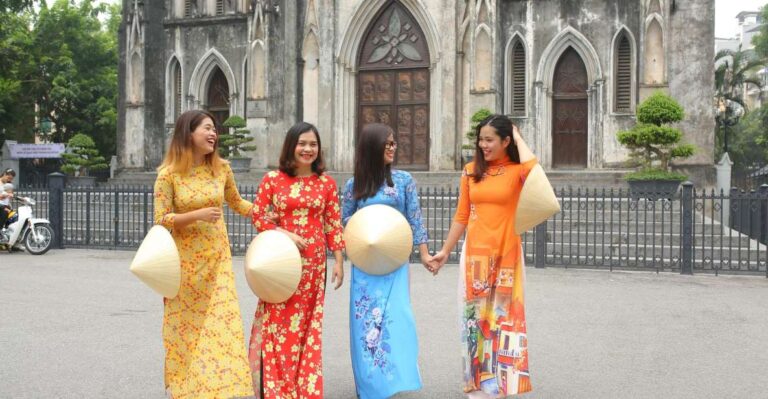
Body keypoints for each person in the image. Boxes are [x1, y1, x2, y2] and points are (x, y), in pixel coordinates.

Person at [431, 114, 537, 398]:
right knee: (475, 319)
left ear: (505, 141)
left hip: (507, 253)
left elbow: (534, 169)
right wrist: (445, 251)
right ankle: (477, 384)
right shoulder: (469, 171)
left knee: (505, 318)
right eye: (481, 139)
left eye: (490, 139)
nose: (483, 145)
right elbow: (461, 216)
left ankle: (504, 384)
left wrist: (517, 136)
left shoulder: (517, 171)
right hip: (475, 255)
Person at [153, 110, 255, 399]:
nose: (214, 134)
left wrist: (264, 213)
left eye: (214, 129)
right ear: (189, 134)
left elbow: (236, 202)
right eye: (207, 128)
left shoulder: (221, 168)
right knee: (185, 327)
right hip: (183, 264)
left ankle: (215, 386)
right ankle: (185, 387)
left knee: (221, 322)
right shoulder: (168, 175)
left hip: (217, 259)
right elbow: (160, 219)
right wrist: (194, 215)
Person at [248, 121, 345, 399]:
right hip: (280, 263)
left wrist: (338, 261)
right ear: (291, 146)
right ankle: (278, 387)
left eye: (313, 144)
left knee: (308, 324)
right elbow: (258, 216)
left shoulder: (326, 183)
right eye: (302, 143)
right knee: (279, 322)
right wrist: (283, 232)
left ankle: (305, 387)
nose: (307, 149)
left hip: (314, 265)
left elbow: (333, 223)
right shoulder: (273, 180)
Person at [341, 123, 433, 399]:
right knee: (365, 324)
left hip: (394, 263)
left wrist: (425, 253)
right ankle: (369, 384)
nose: (393, 148)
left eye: (394, 143)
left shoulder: (404, 180)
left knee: (396, 319)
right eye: (388, 144)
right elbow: (345, 221)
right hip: (366, 265)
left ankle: (393, 378)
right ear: (372, 147)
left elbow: (414, 218)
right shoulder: (353, 184)